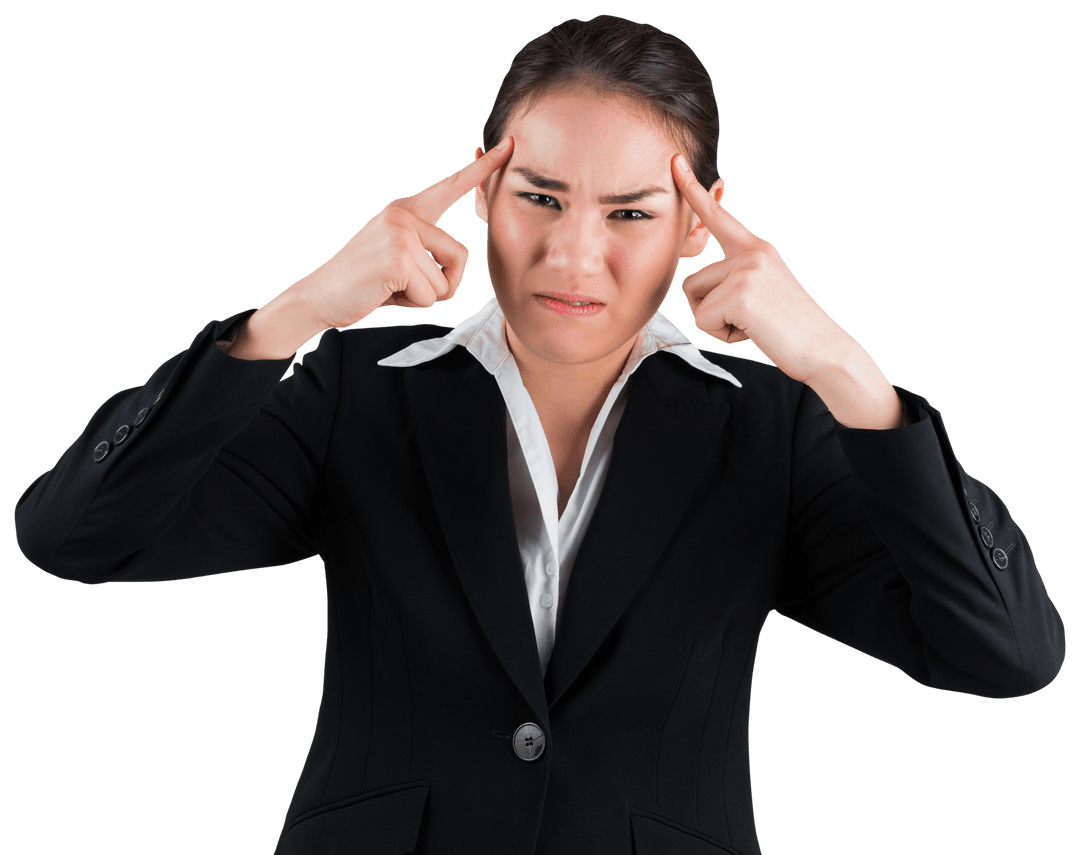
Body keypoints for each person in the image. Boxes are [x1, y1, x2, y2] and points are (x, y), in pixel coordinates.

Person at [13, 14, 1065, 855]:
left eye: (630, 213)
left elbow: (1005, 654)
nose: (573, 255)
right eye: (541, 197)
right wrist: (293, 315)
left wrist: (846, 374)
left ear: (701, 223)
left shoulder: (773, 427)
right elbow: (75, 536)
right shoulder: (356, 391)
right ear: (483, 188)